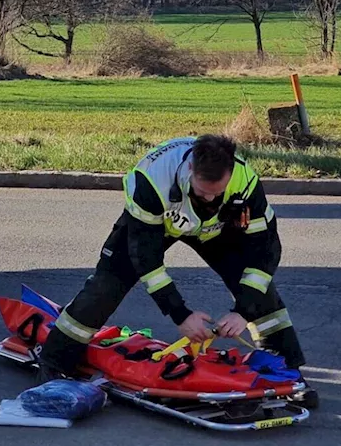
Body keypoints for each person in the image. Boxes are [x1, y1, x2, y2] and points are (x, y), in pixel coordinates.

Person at [37, 134, 316, 407]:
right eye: (203, 190)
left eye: (218, 192)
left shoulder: (245, 180)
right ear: (191, 168)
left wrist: (243, 311)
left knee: (260, 291)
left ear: (231, 172)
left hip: (215, 230)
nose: (209, 198)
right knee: (106, 287)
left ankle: (286, 372)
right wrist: (179, 314)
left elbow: (265, 251)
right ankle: (55, 361)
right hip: (157, 226)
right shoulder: (150, 181)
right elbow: (145, 258)